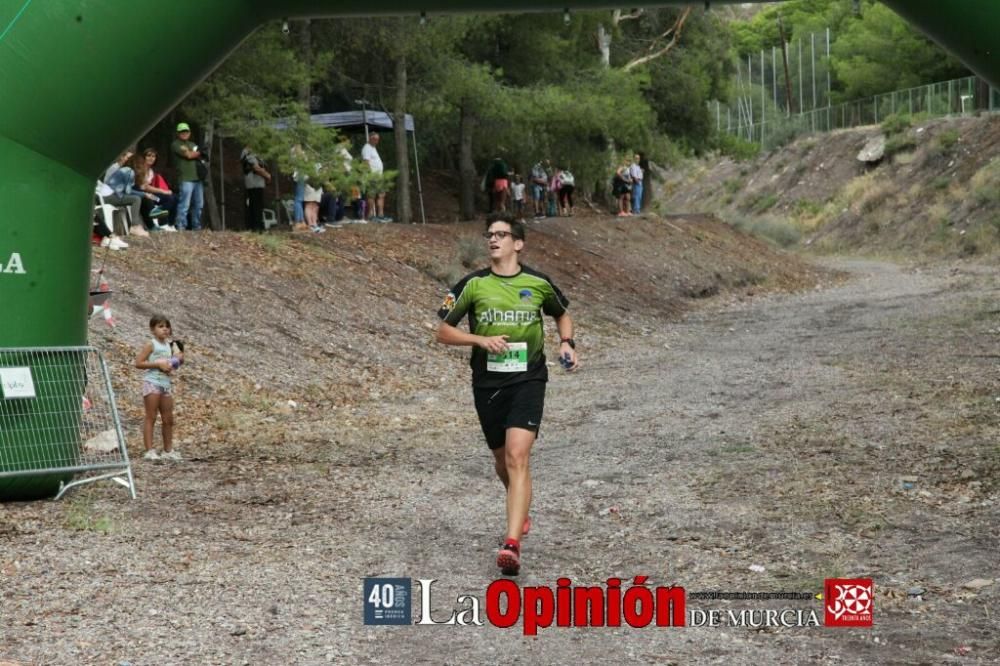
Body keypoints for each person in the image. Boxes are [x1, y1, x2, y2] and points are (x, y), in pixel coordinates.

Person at [435, 217, 578, 576]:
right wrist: (479, 340)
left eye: (501, 235)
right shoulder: (473, 285)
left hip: (528, 379)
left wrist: (567, 343)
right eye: (490, 235)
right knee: (502, 460)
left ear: (519, 243)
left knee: (517, 456)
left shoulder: (538, 283)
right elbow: (443, 331)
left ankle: (512, 544)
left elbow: (563, 315)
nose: (493, 240)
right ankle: (521, 506)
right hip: (487, 383)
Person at [134, 314, 185, 462]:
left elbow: (177, 361)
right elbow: (138, 363)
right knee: (151, 417)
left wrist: (174, 363)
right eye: (160, 326)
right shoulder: (151, 344)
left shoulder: (170, 345)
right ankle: (149, 450)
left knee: (168, 419)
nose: (165, 329)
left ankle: (168, 450)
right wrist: (157, 364)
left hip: (166, 384)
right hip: (152, 382)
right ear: (152, 329)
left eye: (167, 326)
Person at [133, 148, 177, 231]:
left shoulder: (151, 171)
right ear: (144, 157)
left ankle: (169, 223)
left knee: (172, 198)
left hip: (150, 193)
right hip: (141, 194)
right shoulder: (139, 168)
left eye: (153, 156)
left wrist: (165, 192)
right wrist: (162, 191)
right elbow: (144, 187)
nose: (151, 158)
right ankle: (160, 223)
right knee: (157, 199)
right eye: (149, 155)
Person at [172, 122, 204, 231]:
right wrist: (197, 152)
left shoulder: (192, 144)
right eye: (182, 131)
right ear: (178, 133)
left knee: (199, 205)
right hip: (185, 178)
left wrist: (196, 152)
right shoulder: (176, 144)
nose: (184, 133)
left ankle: (197, 227)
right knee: (184, 204)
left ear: (189, 132)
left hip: (197, 178)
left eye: (186, 131)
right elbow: (189, 155)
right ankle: (181, 226)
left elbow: (202, 154)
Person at [240, 145, 271, 232]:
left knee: (258, 205)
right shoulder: (247, 151)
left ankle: (259, 226)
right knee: (255, 205)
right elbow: (256, 168)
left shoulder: (257, 153)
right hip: (253, 183)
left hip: (258, 183)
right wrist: (268, 176)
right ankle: (255, 227)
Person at [362, 132, 390, 222]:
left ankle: (380, 215)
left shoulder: (373, 148)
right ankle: (370, 215)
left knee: (381, 195)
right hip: (372, 176)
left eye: (377, 139)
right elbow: (366, 162)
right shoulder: (367, 148)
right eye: (374, 139)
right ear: (369, 138)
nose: (376, 141)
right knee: (371, 196)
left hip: (379, 177)